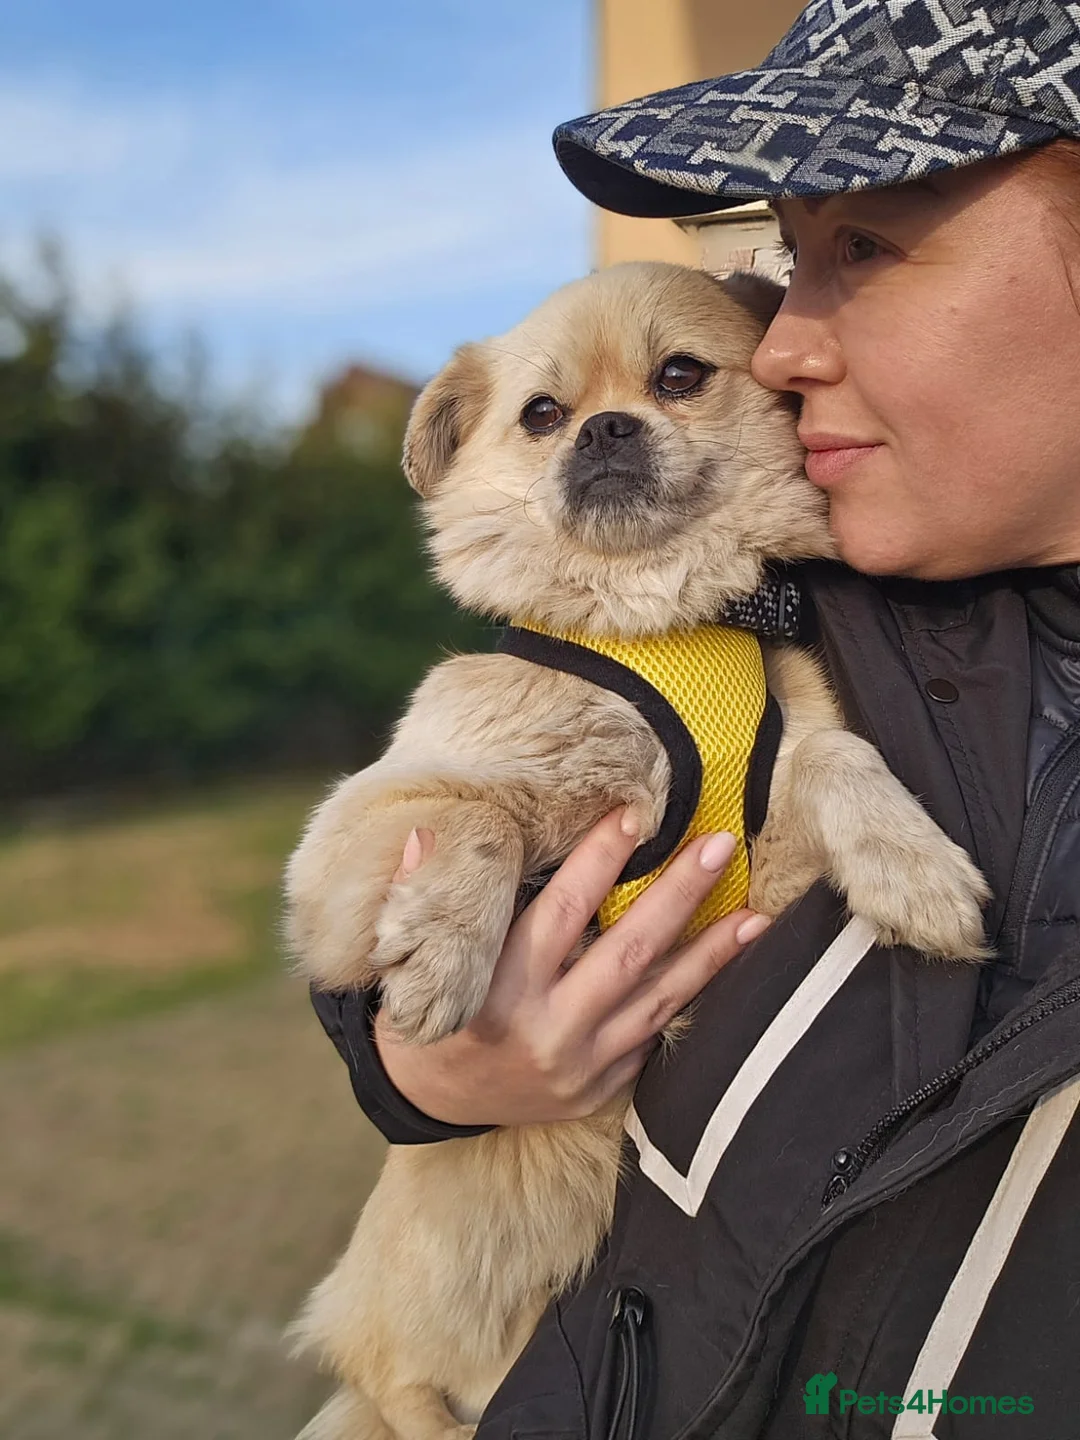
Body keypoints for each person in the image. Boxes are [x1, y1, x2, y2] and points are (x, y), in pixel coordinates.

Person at [310, 2, 1080, 1434]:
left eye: (870, 248)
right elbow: (411, 867)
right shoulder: (785, 614)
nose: (781, 342)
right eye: (790, 259)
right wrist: (420, 1056)